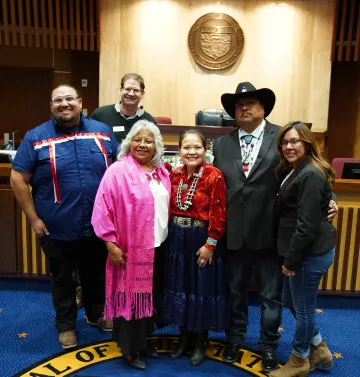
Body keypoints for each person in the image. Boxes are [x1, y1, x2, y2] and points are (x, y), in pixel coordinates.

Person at [213, 82, 337, 372]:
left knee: (271, 296)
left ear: (263, 108)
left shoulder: (282, 138)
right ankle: (235, 338)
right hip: (233, 235)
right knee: (235, 291)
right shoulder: (221, 144)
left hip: (271, 235)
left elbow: (309, 169)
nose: (244, 108)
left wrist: (330, 198)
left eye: (251, 103)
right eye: (238, 105)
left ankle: (268, 345)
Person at [10, 84, 119, 349]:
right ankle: (66, 325)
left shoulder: (102, 133)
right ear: (51, 106)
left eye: (69, 98)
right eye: (58, 100)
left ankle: (97, 313)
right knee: (62, 279)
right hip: (56, 226)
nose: (64, 103)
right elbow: (17, 177)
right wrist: (34, 219)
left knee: (95, 273)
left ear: (80, 102)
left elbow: (120, 170)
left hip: (98, 224)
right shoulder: (36, 137)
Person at [91, 120, 171, 371]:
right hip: (128, 249)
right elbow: (102, 210)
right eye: (138, 139)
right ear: (129, 143)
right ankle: (129, 349)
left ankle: (143, 341)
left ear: (156, 146)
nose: (143, 145)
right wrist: (110, 244)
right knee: (131, 298)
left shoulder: (161, 171)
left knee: (148, 295)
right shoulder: (117, 171)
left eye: (149, 141)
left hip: (157, 246)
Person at [269, 122, 336, 377]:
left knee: (305, 308)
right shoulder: (294, 170)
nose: (288, 146)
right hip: (302, 251)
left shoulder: (309, 174)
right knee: (291, 301)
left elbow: (306, 226)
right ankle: (319, 348)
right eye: (284, 142)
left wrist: (291, 260)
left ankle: (299, 360)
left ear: (307, 143)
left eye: (294, 141)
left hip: (309, 253)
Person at [163, 130, 227, 367]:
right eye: (186, 147)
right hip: (177, 239)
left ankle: (200, 342)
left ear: (206, 150)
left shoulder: (214, 176)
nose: (192, 152)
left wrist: (210, 244)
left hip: (202, 238)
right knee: (180, 286)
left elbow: (219, 213)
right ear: (179, 151)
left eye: (197, 147)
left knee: (201, 289)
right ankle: (183, 338)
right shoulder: (173, 174)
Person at [91, 72, 157, 143]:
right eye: (128, 89)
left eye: (136, 90)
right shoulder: (100, 115)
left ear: (142, 94)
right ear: (120, 91)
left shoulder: (149, 121)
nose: (131, 93)